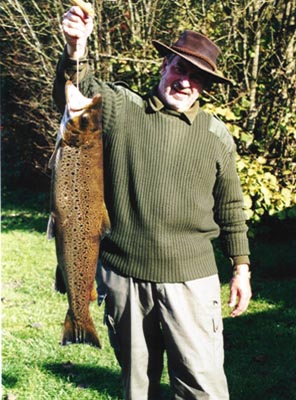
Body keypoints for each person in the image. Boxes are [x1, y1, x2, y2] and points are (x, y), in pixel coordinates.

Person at [53, 5, 252, 400]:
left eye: (198, 77)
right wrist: (76, 47)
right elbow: (79, 88)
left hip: (192, 281)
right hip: (125, 279)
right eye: (180, 68)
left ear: (205, 86)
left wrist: (241, 268)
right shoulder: (123, 108)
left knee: (203, 388)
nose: (185, 81)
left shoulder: (216, 134)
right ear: (165, 65)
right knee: (138, 387)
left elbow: (231, 206)